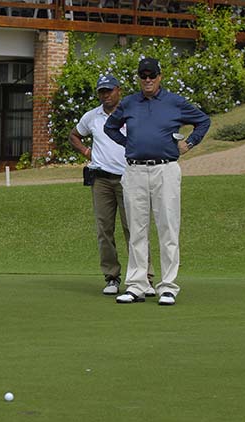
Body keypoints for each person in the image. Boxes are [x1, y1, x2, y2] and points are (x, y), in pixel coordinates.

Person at [104, 58, 210, 306]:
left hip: (166, 170)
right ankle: (138, 285)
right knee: (137, 230)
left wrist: (190, 143)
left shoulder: (175, 102)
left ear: (160, 77)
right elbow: (111, 127)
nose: (148, 79)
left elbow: (203, 121)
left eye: (152, 75)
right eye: (143, 75)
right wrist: (128, 145)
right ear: (139, 78)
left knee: (168, 228)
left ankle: (168, 287)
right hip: (134, 171)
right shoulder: (129, 102)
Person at [69, 74, 154, 297]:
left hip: (129, 177)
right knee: (104, 230)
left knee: (134, 229)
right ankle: (112, 277)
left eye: (109, 90)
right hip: (101, 180)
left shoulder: (131, 112)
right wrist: (87, 152)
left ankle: (144, 277)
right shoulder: (92, 117)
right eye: (101, 91)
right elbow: (74, 135)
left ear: (119, 90)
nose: (105, 95)